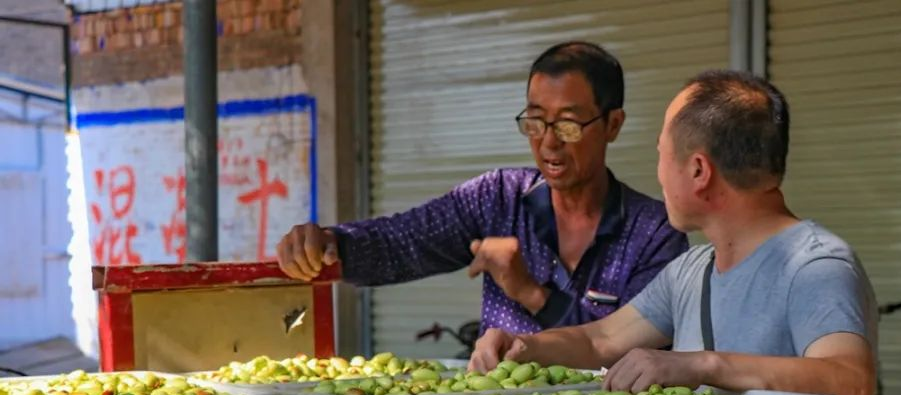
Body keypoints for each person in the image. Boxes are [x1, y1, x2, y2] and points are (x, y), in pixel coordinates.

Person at [470, 69, 901, 395]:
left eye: (662, 154)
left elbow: (850, 386)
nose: (657, 174)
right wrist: (523, 346)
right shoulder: (693, 270)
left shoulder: (815, 264)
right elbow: (601, 340)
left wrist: (701, 365)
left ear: (698, 170)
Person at [275, 41, 688, 335]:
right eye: (535, 120)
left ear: (612, 124)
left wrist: (530, 293)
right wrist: (328, 243)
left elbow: (630, 349)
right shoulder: (497, 198)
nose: (548, 141)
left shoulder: (655, 234)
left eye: (568, 123)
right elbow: (401, 243)